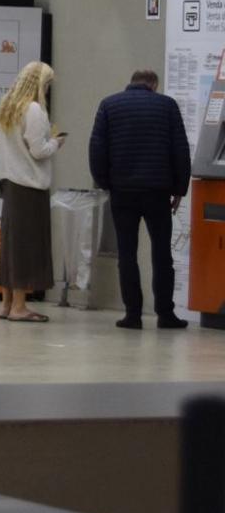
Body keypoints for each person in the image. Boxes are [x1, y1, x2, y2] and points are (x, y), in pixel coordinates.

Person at [89, 69, 191, 330]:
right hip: (157, 191)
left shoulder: (109, 105)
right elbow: (180, 148)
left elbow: (97, 148)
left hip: (123, 191)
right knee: (161, 254)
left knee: (127, 254)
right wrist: (179, 189)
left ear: (130, 83)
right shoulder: (167, 106)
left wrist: (105, 182)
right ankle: (165, 314)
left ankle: (132, 314)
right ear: (153, 85)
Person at [0, 61, 64, 322]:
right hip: (30, 186)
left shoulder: (7, 106)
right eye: (46, 85)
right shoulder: (33, 109)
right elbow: (38, 150)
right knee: (27, 247)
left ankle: (6, 303)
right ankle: (20, 307)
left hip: (10, 183)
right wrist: (56, 143)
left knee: (10, 247)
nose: (46, 90)